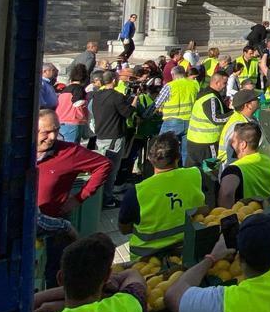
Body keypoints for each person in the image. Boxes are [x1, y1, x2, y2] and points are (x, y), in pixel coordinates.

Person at [36, 109, 111, 281]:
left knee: (52, 274)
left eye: (56, 130)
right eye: (46, 132)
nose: (53, 137)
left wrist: (79, 197)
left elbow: (104, 165)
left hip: (53, 232)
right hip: (24, 230)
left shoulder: (68, 153)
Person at [118, 134, 205, 259]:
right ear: (178, 158)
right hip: (187, 251)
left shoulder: (136, 192)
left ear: (149, 158)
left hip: (146, 261)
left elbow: (124, 229)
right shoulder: (196, 175)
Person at [90, 70, 139, 203]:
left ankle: (101, 197)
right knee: (111, 169)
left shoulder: (96, 95)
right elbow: (127, 113)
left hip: (100, 135)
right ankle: (107, 199)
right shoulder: (116, 96)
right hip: (113, 137)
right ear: (113, 80)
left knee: (102, 167)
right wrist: (135, 101)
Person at [218, 121, 270, 206]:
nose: (230, 143)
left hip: (245, 215)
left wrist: (226, 215)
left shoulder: (233, 169)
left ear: (243, 145)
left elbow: (226, 193)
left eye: (233, 140)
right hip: (265, 211)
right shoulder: (267, 160)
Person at [187, 70, 232, 171]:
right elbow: (216, 118)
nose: (225, 86)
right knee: (211, 172)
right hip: (206, 143)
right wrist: (234, 114)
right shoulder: (210, 98)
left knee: (193, 171)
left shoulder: (206, 93)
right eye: (224, 83)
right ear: (217, 83)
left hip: (193, 141)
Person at [152, 63, 200, 154]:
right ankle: (184, 168)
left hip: (172, 122)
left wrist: (146, 115)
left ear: (173, 75)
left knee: (162, 150)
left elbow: (157, 104)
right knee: (186, 152)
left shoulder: (170, 86)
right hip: (189, 121)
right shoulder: (194, 85)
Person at [219, 90, 261, 164]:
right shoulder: (237, 125)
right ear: (248, 105)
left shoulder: (250, 119)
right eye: (256, 99)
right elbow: (233, 154)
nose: (259, 100)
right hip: (240, 168)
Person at [56, 67, 90, 143]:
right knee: (71, 148)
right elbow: (78, 103)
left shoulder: (65, 90)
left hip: (61, 121)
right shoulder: (79, 89)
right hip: (73, 122)